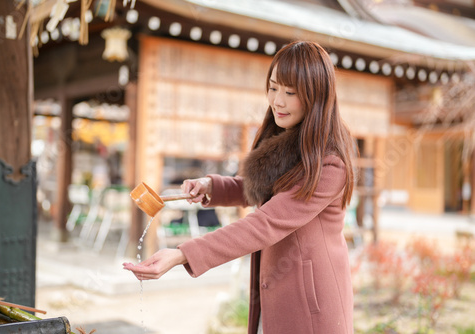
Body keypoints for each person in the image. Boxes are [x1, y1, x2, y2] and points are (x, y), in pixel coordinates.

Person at [123, 40, 356, 334]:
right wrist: (212, 186)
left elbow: (267, 221)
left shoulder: (331, 163)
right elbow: (270, 188)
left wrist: (183, 253)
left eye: (290, 92)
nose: (277, 101)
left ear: (317, 96)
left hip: (312, 307)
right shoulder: (289, 138)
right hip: (276, 292)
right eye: (273, 88)